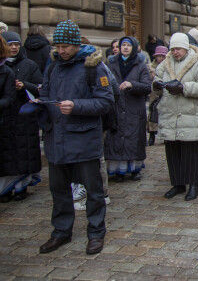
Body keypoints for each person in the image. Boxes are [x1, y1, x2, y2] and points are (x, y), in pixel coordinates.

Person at [39, 20, 114, 255]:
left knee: (93, 191)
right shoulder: (52, 66)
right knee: (59, 190)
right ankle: (61, 231)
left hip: (83, 140)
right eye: (57, 46)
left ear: (75, 44)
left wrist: (76, 106)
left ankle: (96, 232)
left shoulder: (93, 66)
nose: (60, 51)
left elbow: (106, 101)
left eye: (64, 47)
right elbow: (45, 92)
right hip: (57, 138)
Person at [153, 33, 198, 201]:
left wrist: (183, 87)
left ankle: (194, 184)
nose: (176, 52)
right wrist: (156, 85)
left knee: (190, 152)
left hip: (190, 114)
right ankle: (178, 183)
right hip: (170, 114)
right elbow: (157, 80)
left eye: (178, 48)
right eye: (173, 49)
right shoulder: (166, 63)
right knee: (173, 151)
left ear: (186, 48)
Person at [0, 33, 42, 201]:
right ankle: (5, 189)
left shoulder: (29, 65)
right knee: (8, 154)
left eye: (17, 44)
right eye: (10, 44)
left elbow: (40, 87)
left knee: (25, 152)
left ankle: (21, 186)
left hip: (24, 115)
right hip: (6, 117)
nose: (14, 48)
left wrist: (25, 85)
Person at [105, 37, 152, 181]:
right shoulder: (111, 63)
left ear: (134, 47)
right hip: (117, 106)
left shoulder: (140, 65)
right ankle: (118, 171)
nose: (125, 48)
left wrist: (132, 85)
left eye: (128, 45)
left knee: (133, 139)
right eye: (123, 45)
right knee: (116, 138)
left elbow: (147, 86)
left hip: (134, 108)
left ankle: (134, 169)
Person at [147, 45, 168, 146]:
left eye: (162, 56)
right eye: (158, 56)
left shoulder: (169, 66)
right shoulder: (151, 67)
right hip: (154, 94)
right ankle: (152, 135)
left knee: (164, 114)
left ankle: (164, 135)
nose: (160, 58)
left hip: (165, 93)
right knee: (153, 114)